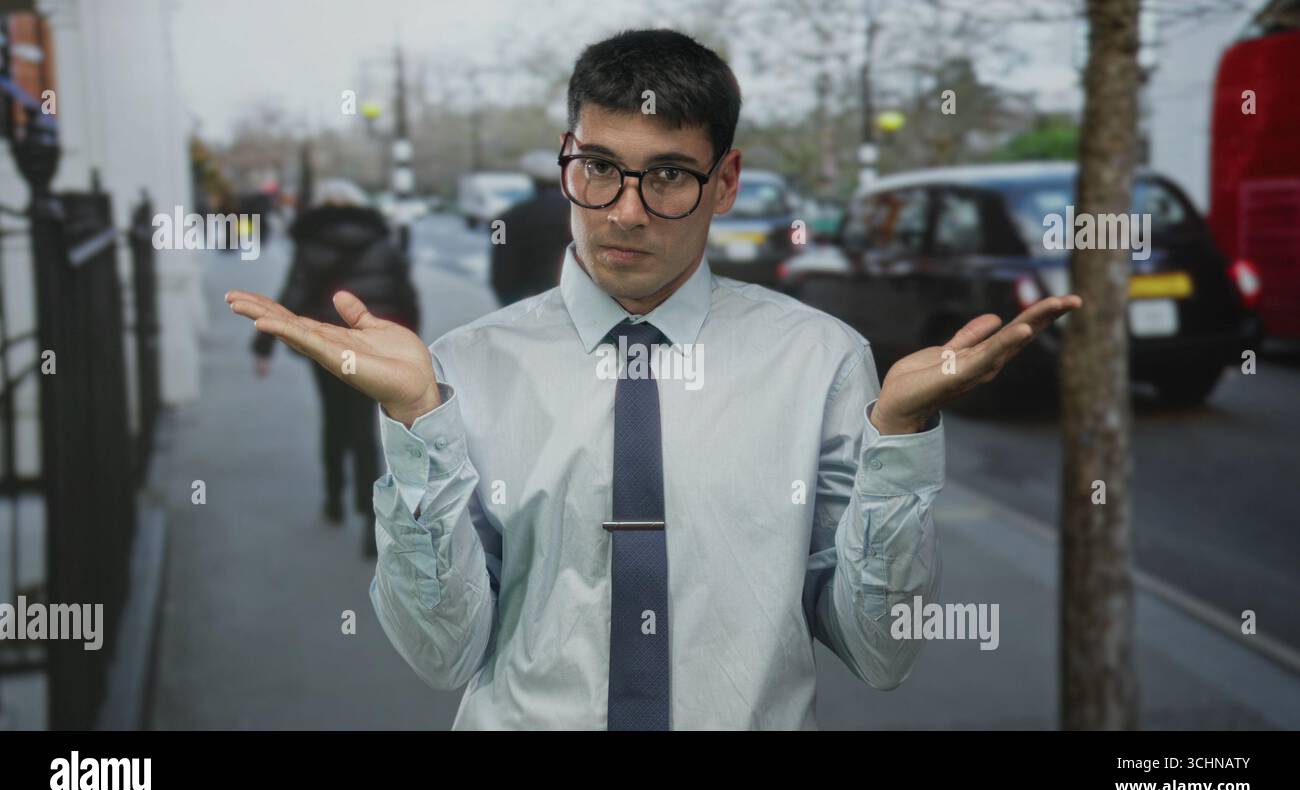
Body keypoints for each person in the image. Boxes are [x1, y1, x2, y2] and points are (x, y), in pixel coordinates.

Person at [228, 30, 1079, 729]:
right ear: (568, 157)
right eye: (598, 166)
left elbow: (882, 651)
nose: (625, 209)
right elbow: (440, 653)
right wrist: (416, 421)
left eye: (668, 175)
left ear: (726, 183)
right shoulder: (464, 366)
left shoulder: (820, 361)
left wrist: (898, 441)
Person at [250, 178, 420, 558]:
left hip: (327, 349)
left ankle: (333, 500)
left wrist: (263, 346)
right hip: (372, 348)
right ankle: (370, 517)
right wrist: (409, 346)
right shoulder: (383, 243)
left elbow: (292, 295)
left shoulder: (311, 244)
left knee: (334, 421)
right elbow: (405, 296)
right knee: (365, 430)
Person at [489, 150, 573, 306]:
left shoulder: (504, 219)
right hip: (570, 301)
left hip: (524, 302)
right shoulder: (579, 217)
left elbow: (499, 267)